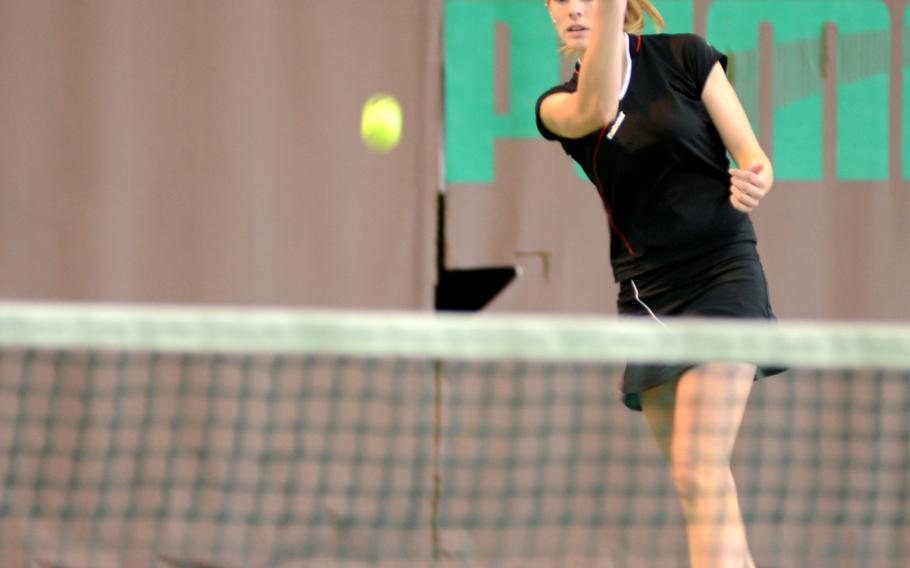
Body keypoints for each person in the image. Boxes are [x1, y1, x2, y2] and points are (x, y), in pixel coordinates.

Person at [536, 1, 784, 566]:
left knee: (700, 467)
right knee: (700, 487)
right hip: (648, 300)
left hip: (723, 273)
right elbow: (599, 107)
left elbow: (753, 156)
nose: (575, 9)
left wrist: (755, 178)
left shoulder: (686, 56)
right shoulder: (557, 107)